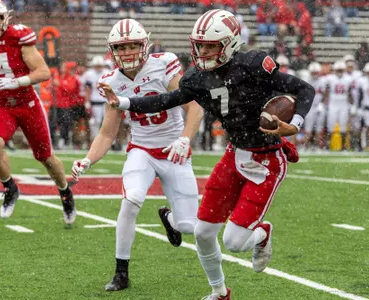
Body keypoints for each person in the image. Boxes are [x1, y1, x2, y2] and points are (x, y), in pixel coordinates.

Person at [99, 10, 315, 300]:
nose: (204, 52)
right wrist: (122, 101)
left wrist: (295, 125)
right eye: (200, 45)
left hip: (265, 159)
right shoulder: (197, 78)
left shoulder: (252, 65)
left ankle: (262, 233)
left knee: (235, 242)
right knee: (202, 232)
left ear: (231, 43)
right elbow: (165, 100)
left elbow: (304, 89)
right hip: (233, 155)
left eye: (211, 46)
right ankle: (219, 292)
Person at [71, 19, 203, 292]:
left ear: (145, 45)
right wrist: (87, 159)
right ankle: (121, 272)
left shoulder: (163, 64)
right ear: (112, 50)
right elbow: (108, 133)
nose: (128, 51)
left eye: (133, 45)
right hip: (141, 149)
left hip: (173, 150)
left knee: (189, 227)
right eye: (122, 46)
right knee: (131, 200)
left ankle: (169, 218)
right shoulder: (110, 80)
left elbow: (195, 108)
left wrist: (184, 139)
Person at [0, 0, 75, 224]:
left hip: (26, 103)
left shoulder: (18, 37)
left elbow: (42, 72)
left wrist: (16, 82)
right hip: (0, 104)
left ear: (4, 19)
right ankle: (10, 187)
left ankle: (65, 192)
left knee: (46, 158)